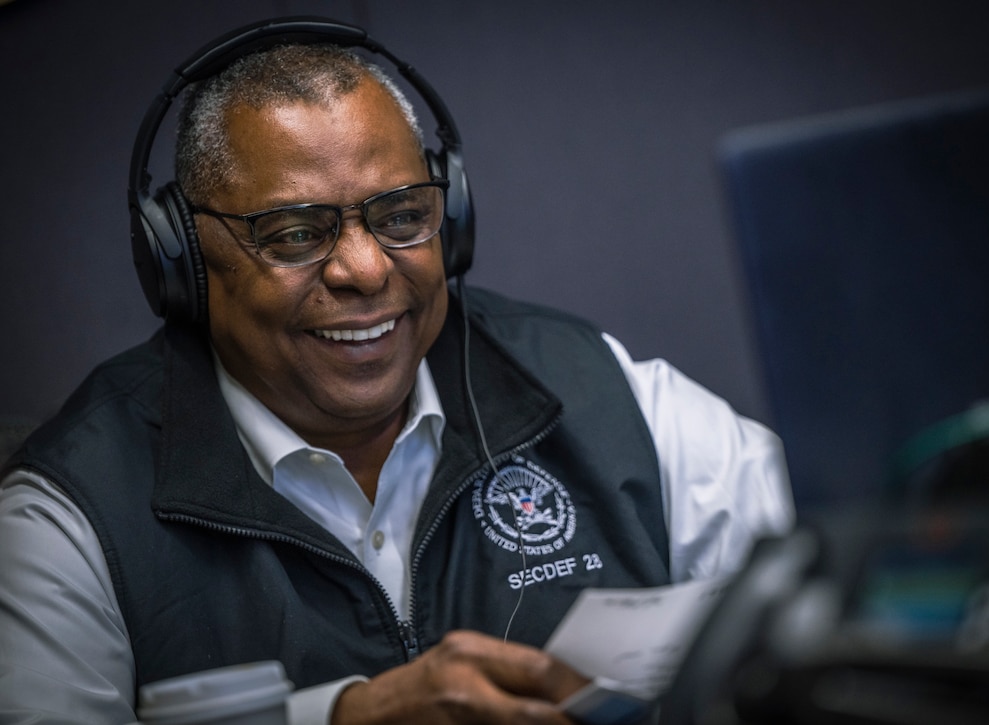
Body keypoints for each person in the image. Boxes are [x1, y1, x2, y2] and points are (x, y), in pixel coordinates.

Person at [0, 21, 793, 725]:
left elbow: (831, 585)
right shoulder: (69, 514)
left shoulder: (601, 392)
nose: (367, 267)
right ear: (181, 263)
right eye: (295, 232)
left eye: (403, 216)